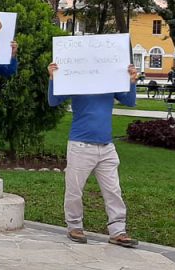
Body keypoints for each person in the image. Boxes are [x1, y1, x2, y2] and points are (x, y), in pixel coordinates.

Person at [47, 62, 140, 248]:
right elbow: (53, 101)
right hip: (80, 144)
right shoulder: (77, 80)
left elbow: (129, 101)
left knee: (113, 190)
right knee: (74, 190)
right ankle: (74, 226)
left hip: (107, 146)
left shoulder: (110, 81)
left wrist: (131, 81)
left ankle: (118, 231)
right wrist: (52, 78)